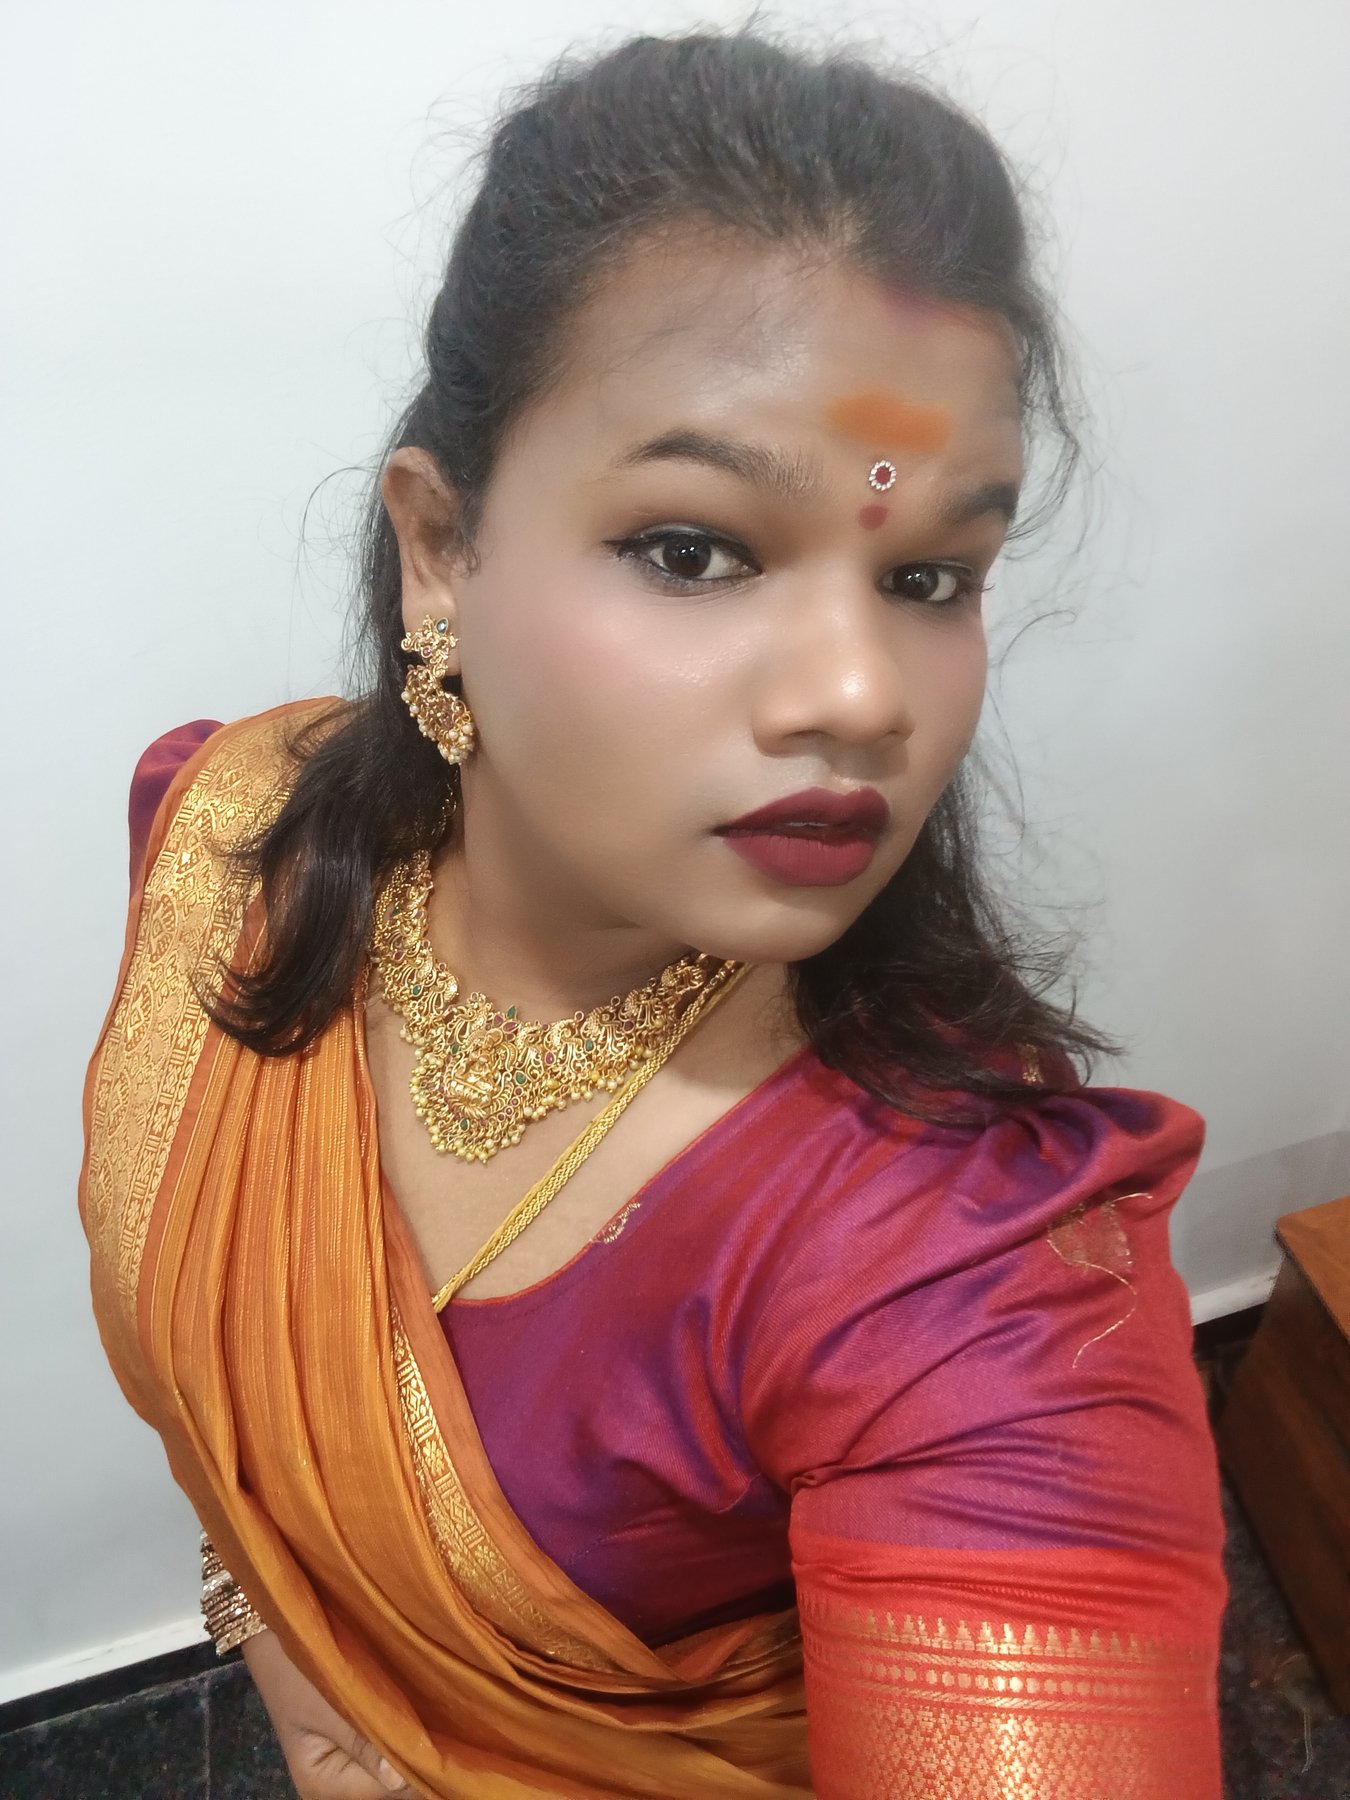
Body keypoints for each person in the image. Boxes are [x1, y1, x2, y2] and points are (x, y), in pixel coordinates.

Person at [79, 29, 1226, 1799]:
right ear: (439, 551)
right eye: (695, 549)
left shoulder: (964, 1272)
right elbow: (220, 1390)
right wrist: (300, 1669)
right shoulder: (227, 829)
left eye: (929, 575)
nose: (861, 694)